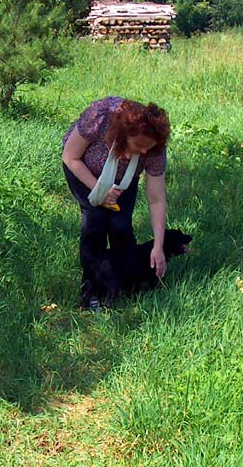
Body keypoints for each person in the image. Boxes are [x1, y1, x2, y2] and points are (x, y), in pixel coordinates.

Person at [62, 97, 170, 310]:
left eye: (150, 147)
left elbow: (156, 200)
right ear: (124, 135)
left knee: (120, 226)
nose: (145, 151)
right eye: (140, 145)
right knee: (95, 222)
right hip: (84, 170)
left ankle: (125, 281)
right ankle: (90, 288)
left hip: (123, 180)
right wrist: (99, 191)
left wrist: (158, 246)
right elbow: (70, 157)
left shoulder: (154, 148)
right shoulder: (99, 117)